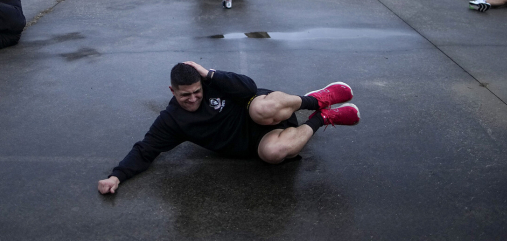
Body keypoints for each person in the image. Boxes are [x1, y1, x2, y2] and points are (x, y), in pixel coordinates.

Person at [97, 61, 360, 194]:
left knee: (261, 109)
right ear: (172, 91)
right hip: (260, 140)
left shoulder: (211, 82)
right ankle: (322, 118)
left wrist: (210, 74)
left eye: (196, 91)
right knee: (275, 154)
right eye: (184, 95)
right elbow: (146, 149)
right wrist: (116, 176)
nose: (193, 98)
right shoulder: (173, 120)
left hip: (264, 108)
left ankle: (316, 99)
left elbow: (248, 87)